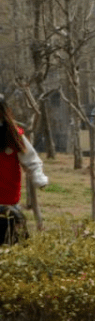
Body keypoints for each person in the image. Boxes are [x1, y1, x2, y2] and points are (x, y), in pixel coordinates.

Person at [0, 97, 48, 245]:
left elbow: (31, 160)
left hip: (7, 201)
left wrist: (38, 177)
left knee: (12, 244)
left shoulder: (13, 135)